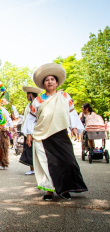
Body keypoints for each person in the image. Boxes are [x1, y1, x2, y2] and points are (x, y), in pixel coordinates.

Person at [22, 63, 87, 201]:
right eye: (46, 80)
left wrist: (74, 127)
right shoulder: (38, 100)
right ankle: (49, 191)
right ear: (43, 84)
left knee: (67, 161)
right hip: (42, 136)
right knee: (46, 163)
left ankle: (65, 189)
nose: (49, 82)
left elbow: (71, 113)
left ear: (57, 82)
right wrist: (29, 134)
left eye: (52, 79)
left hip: (61, 134)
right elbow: (31, 118)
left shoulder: (65, 96)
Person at [19, 86, 43, 175]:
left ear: (30, 95)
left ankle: (36, 168)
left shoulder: (37, 104)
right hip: (27, 131)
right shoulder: (29, 105)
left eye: (27, 94)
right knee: (29, 150)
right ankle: (32, 168)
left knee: (35, 150)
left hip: (34, 131)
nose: (26, 96)